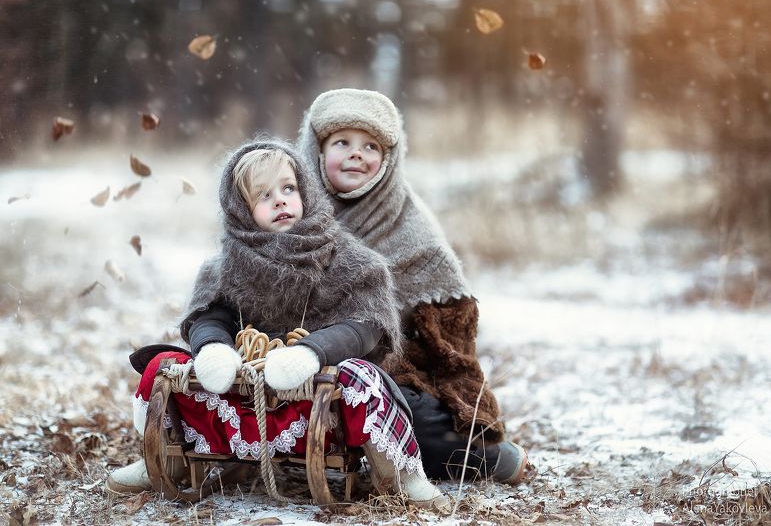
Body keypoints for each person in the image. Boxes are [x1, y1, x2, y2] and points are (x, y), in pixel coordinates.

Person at [106, 138, 449, 511]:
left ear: (306, 191)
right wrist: (214, 348)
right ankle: (165, 457)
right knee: (163, 366)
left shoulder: (351, 261)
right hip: (244, 398)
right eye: (263, 195)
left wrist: (312, 352)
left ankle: (398, 472)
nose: (280, 200)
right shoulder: (225, 265)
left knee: (362, 378)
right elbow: (210, 314)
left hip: (318, 404)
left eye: (288, 188)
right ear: (240, 209)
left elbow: (367, 325)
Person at [297, 88, 528, 483]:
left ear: (389, 160)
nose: (356, 153)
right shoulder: (290, 208)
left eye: (370, 146)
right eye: (342, 143)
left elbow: (447, 341)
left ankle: (481, 456)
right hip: (295, 354)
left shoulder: (410, 231)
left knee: (406, 412)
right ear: (315, 152)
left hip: (386, 363)